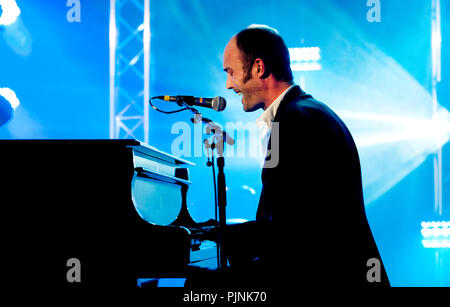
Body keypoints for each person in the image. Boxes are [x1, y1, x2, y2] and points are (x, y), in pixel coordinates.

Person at [218, 25, 390, 289]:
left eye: (231, 72)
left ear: (258, 68)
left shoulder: (296, 120)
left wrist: (220, 235)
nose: (228, 84)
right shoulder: (306, 112)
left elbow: (295, 230)